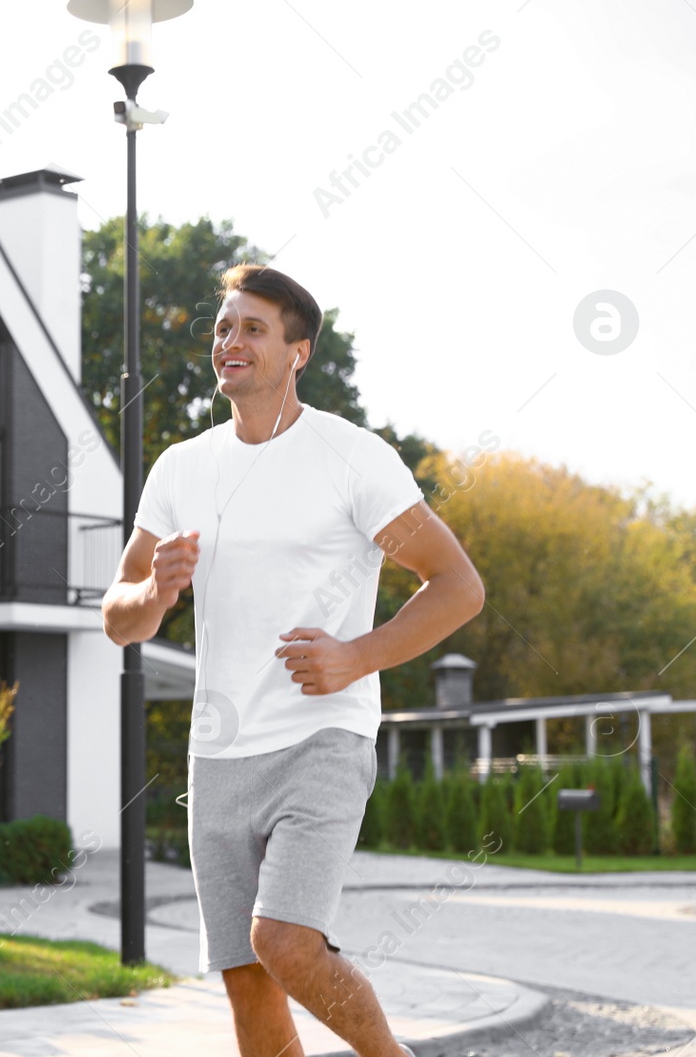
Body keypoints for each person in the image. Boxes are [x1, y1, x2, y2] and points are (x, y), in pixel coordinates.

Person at [100, 264, 485, 1057]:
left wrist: (357, 657)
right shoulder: (181, 467)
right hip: (218, 751)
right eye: (224, 327)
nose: (230, 340)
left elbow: (458, 585)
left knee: (284, 941)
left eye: (253, 328)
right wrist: (156, 593)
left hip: (322, 739)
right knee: (247, 981)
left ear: (297, 351)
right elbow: (117, 617)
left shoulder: (351, 456)